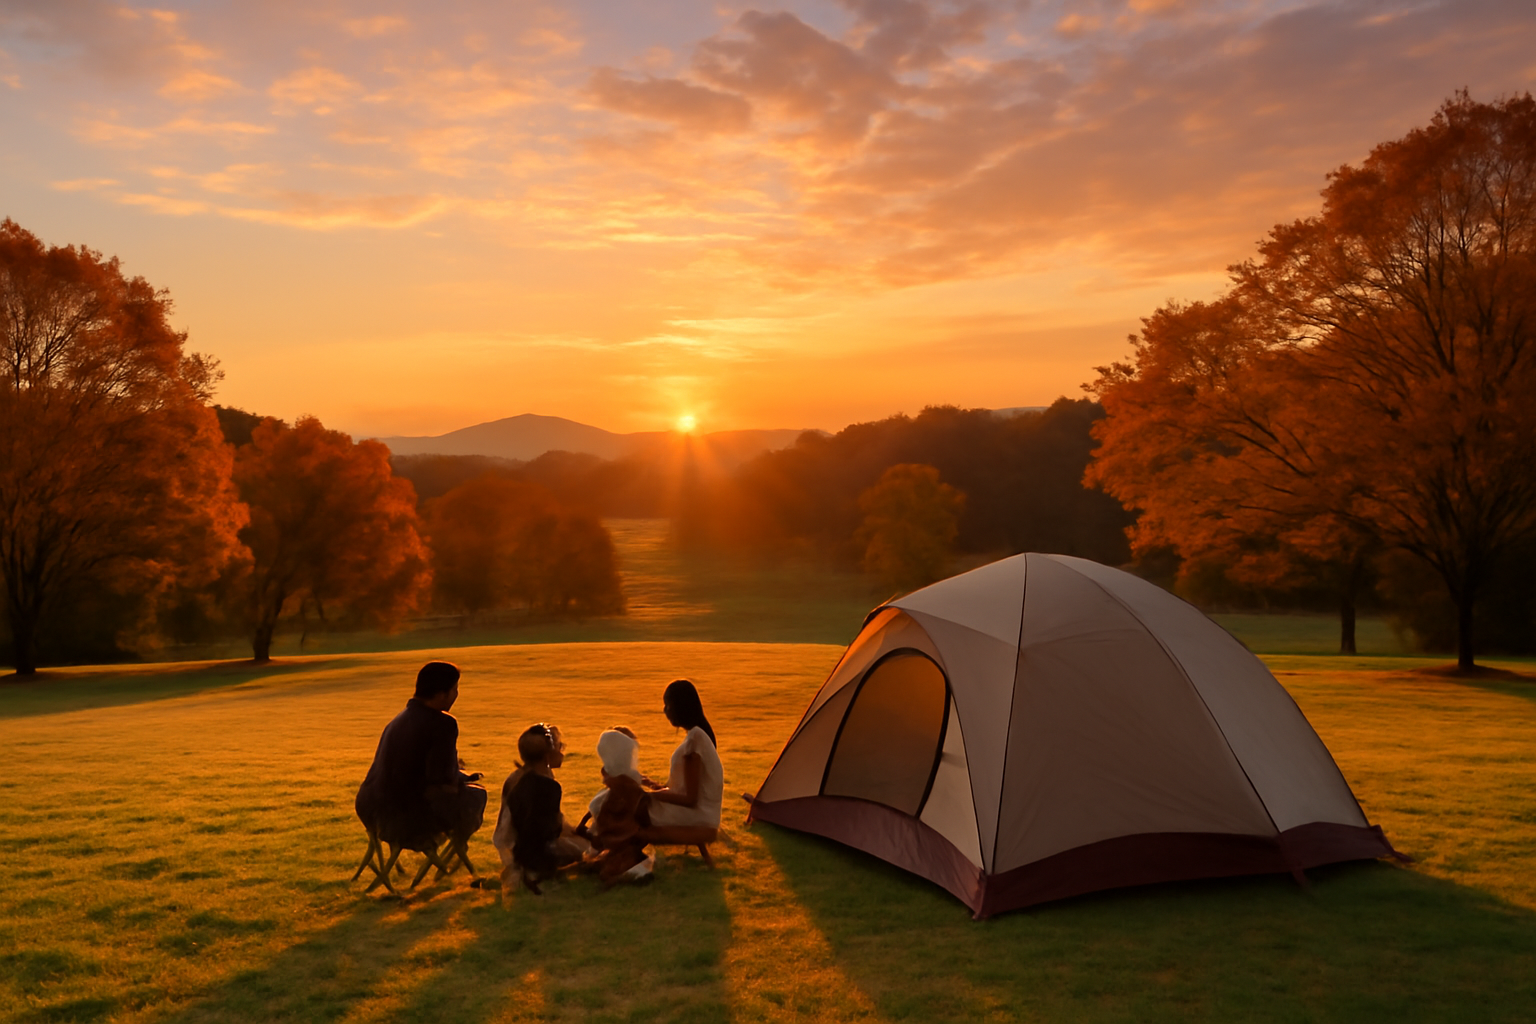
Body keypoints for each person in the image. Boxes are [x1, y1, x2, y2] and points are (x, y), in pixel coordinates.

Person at [355, 661, 486, 854]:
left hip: (371, 810)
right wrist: (460, 777)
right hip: (403, 819)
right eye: (455, 689)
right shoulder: (443, 723)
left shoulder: (400, 719)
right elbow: (441, 778)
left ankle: (452, 847)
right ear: (442, 694)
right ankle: (457, 847)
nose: (456, 695)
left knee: (462, 790)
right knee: (477, 794)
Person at [493, 724, 588, 895]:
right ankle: (536, 874)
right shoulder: (548, 787)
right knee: (586, 849)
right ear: (547, 756)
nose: (562, 752)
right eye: (560, 747)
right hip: (535, 854)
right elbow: (549, 831)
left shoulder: (515, 777)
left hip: (513, 846)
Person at [642, 680, 723, 834]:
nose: (665, 710)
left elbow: (690, 799)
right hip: (698, 813)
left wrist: (648, 796)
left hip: (697, 817)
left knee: (633, 809)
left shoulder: (695, 740)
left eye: (668, 705)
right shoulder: (696, 737)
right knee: (633, 806)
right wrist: (651, 784)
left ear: (681, 707)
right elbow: (682, 791)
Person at [577, 727, 653, 885]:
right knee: (646, 862)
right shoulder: (629, 789)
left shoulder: (607, 792)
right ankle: (619, 875)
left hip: (606, 840)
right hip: (624, 843)